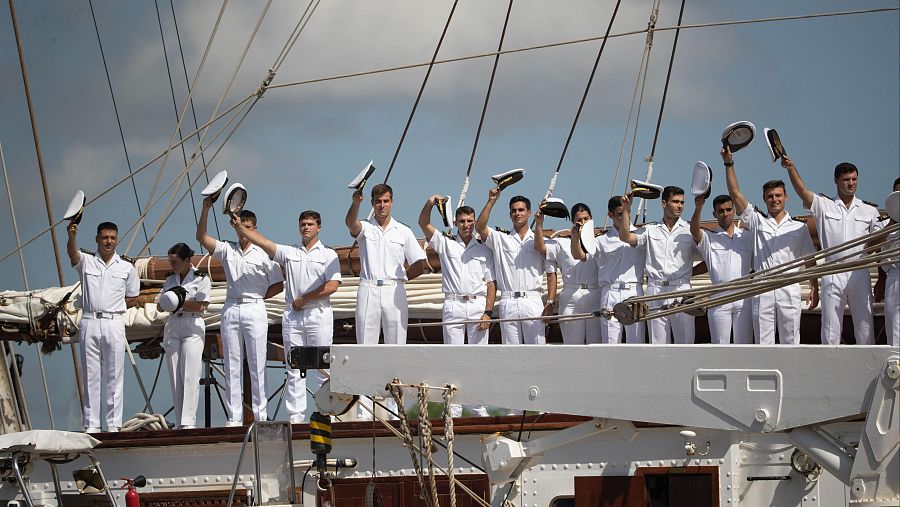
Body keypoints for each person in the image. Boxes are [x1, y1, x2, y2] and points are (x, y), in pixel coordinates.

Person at [233, 210, 341, 423]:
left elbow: (333, 285)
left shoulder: (328, 255)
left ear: (319, 227)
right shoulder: (289, 252)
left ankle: (326, 413)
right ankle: (296, 417)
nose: (306, 227)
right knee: (294, 367)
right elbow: (263, 242)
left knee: (323, 366)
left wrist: (306, 298)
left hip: (318, 314)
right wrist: (240, 227)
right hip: (293, 316)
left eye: (310, 224)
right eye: (303, 224)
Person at [197, 199, 284, 426]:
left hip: (255, 307)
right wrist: (206, 209)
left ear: (254, 228)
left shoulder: (264, 253)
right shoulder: (228, 250)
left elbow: (278, 284)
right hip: (231, 307)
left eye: (248, 227)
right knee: (232, 364)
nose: (243, 231)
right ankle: (234, 417)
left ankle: (260, 415)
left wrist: (257, 297)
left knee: (257, 364)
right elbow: (202, 238)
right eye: (240, 227)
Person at [345, 183, 427, 420]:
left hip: (395, 289)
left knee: (396, 348)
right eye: (378, 201)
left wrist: (403, 278)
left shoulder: (403, 231)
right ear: (372, 203)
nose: (382, 205)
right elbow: (351, 223)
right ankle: (364, 407)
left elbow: (420, 264)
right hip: (368, 287)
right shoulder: (365, 229)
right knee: (365, 349)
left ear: (392, 202)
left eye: (386, 201)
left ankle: (394, 408)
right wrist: (356, 202)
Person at [782, 158, 883, 345]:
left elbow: (875, 244)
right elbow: (802, 192)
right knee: (830, 328)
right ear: (836, 181)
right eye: (846, 180)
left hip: (859, 270)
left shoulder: (869, 210)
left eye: (854, 179)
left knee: (865, 326)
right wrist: (791, 169)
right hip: (831, 270)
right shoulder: (823, 204)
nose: (851, 183)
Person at [724, 147, 818, 344]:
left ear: (786, 197)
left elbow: (810, 258)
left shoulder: (798, 228)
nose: (774, 200)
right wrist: (728, 163)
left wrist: (814, 286)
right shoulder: (757, 222)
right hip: (763, 286)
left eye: (778, 196)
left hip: (789, 285)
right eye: (770, 196)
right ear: (764, 199)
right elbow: (735, 193)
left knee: (791, 342)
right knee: (763, 344)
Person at [418, 196, 495, 417]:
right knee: (452, 357)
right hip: (452, 304)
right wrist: (430, 203)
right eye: (462, 221)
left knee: (478, 358)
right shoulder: (445, 243)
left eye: (470, 221)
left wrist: (488, 312)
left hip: (477, 304)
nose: (467, 225)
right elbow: (423, 223)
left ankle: (478, 406)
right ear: (455, 222)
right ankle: (454, 407)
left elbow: (491, 283)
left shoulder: (485, 249)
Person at [67, 221, 140, 433]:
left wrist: (115, 308)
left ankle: (114, 424)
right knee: (91, 374)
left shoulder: (127, 267)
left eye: (113, 238)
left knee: (114, 374)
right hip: (90, 320)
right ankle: (91, 424)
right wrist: (71, 236)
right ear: (97, 239)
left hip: (114, 322)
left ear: (117, 240)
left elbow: (133, 297)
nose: (109, 241)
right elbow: (72, 254)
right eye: (105, 237)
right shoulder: (87, 261)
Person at [475, 188, 557, 345]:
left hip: (532, 300)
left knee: (537, 352)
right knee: (511, 355)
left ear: (529, 213)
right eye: (513, 211)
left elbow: (550, 272)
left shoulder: (540, 241)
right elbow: (479, 227)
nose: (517, 213)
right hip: (508, 301)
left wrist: (550, 302)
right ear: (509, 214)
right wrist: (492, 200)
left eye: (521, 210)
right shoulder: (500, 239)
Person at [619, 187, 696, 344]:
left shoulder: (690, 231)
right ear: (664, 203)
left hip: (681, 289)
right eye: (675, 202)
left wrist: (691, 274)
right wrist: (626, 210)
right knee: (658, 343)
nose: (679, 206)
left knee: (686, 343)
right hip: (656, 290)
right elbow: (626, 237)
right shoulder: (650, 230)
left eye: (682, 202)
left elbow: (710, 259)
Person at [572, 197, 646, 344]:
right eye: (620, 213)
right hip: (610, 292)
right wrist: (575, 238)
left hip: (634, 291)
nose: (624, 216)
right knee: (610, 342)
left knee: (636, 341)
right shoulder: (601, 240)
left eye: (627, 212)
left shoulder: (641, 234)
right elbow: (580, 256)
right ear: (610, 215)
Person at [158, 243, 210, 430]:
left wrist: (179, 302)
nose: (172, 265)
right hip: (173, 324)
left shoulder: (200, 278)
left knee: (189, 374)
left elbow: (202, 306)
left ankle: (188, 422)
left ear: (188, 260)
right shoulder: (170, 279)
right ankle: (180, 422)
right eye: (170, 261)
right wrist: (166, 302)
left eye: (176, 261)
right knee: (175, 375)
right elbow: (161, 304)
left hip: (192, 324)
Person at [689, 194, 753, 344]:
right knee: (719, 344)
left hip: (744, 297)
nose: (725, 214)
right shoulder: (709, 238)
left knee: (745, 345)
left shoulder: (747, 236)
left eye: (728, 210)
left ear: (734, 211)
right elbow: (694, 231)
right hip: (719, 297)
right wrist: (698, 208)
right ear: (714, 214)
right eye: (721, 211)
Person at [535, 203, 601, 344]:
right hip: (571, 295)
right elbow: (540, 247)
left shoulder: (600, 242)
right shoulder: (561, 243)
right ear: (572, 222)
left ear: (592, 219)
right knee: (572, 345)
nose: (582, 222)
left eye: (586, 218)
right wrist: (539, 224)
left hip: (594, 294)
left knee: (596, 345)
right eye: (579, 220)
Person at [874, 177, 900, 347]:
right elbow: (874, 247)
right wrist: (893, 220)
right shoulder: (883, 223)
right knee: (894, 323)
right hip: (894, 275)